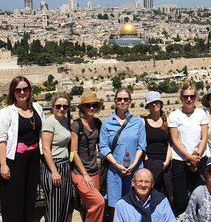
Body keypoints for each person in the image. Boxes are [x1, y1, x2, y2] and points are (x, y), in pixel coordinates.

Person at [0, 76, 44, 222]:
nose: (22, 92)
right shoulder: (7, 113)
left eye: (25, 89)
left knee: (30, 196)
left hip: (34, 158)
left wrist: (40, 156)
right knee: (14, 198)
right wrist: (3, 165)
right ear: (13, 92)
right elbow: (1, 140)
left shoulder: (37, 108)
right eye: (18, 90)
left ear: (29, 90)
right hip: (15, 160)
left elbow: (40, 134)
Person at [100, 87, 146, 220]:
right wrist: (116, 164)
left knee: (136, 203)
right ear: (115, 101)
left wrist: (134, 164)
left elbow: (141, 146)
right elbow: (103, 148)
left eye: (125, 99)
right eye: (119, 99)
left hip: (135, 170)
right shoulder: (107, 123)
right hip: (115, 171)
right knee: (116, 205)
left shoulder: (137, 122)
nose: (122, 101)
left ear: (130, 101)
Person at [168, 81, 209, 217]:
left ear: (195, 97)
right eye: (186, 96)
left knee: (200, 196)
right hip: (180, 159)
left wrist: (196, 156)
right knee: (180, 198)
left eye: (191, 96)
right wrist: (189, 157)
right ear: (181, 98)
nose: (189, 99)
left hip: (200, 158)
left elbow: (204, 137)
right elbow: (175, 140)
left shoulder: (201, 114)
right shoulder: (174, 115)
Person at [70, 92, 105, 222]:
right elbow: (73, 152)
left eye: (94, 105)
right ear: (82, 108)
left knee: (91, 206)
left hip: (94, 171)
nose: (91, 108)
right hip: (80, 173)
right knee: (99, 202)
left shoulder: (97, 123)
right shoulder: (76, 125)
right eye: (88, 105)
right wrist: (84, 174)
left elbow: (103, 143)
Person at [41, 92, 73, 222]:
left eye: (65, 107)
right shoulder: (49, 123)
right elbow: (46, 149)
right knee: (54, 207)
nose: (61, 109)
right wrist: (54, 171)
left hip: (65, 165)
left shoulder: (65, 121)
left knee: (64, 206)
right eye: (58, 106)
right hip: (54, 166)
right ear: (52, 106)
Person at [143, 91, 173, 201]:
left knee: (166, 194)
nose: (154, 105)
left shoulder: (168, 122)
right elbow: (141, 144)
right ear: (148, 106)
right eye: (151, 103)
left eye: (156, 102)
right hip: (149, 164)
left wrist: (166, 163)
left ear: (160, 103)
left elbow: (170, 144)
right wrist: (147, 161)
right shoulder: (143, 122)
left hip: (165, 164)